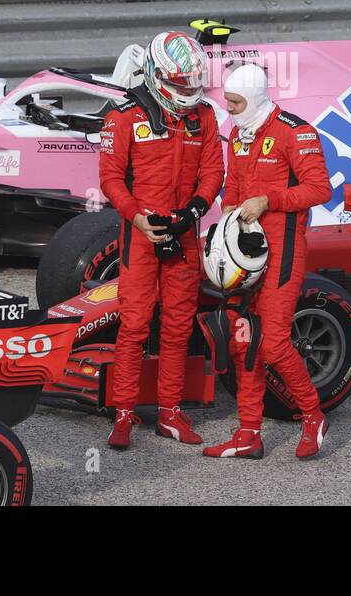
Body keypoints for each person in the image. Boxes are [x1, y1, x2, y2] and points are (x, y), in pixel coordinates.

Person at [98, 31, 224, 450]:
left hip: (185, 233)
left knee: (177, 325)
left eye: (193, 84)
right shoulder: (123, 116)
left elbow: (213, 172)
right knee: (133, 325)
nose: (188, 92)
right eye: (180, 84)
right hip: (139, 234)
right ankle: (123, 412)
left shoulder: (203, 116)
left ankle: (170, 411)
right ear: (155, 75)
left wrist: (194, 211)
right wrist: (137, 218)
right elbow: (110, 179)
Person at [203, 62, 333, 460]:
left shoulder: (296, 131)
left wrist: (268, 201)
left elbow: (320, 189)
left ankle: (313, 416)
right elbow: (234, 187)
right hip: (244, 253)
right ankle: (248, 433)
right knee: (245, 342)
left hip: (285, 248)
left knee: (273, 343)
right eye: (227, 100)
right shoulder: (238, 133)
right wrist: (227, 222)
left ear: (258, 98)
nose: (230, 107)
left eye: (237, 101)